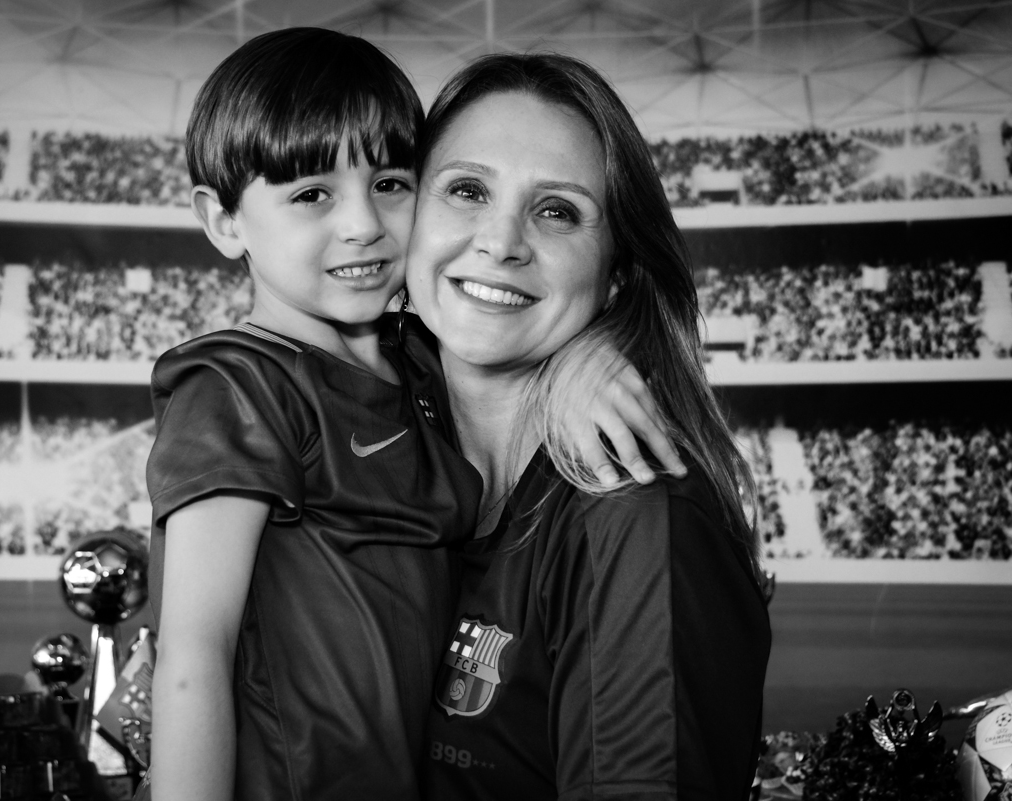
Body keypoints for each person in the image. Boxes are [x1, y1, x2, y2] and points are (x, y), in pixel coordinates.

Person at [143, 29, 682, 801]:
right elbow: (194, 651)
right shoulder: (238, 384)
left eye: (391, 183)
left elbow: (525, 327)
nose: (363, 223)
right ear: (224, 220)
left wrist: (588, 356)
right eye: (311, 194)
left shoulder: (418, 364)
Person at [411, 53, 772, 800]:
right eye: (467, 190)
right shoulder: (366, 451)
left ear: (614, 272)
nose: (501, 240)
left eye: (557, 210)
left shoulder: (638, 515)